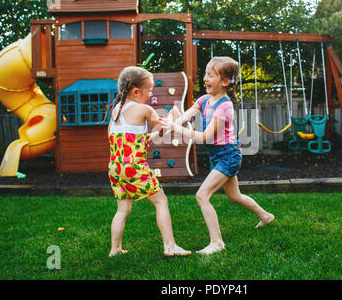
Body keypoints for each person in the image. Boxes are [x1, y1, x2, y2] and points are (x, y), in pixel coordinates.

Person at [161, 56, 275, 255]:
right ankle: (266, 216)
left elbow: (205, 137)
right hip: (220, 156)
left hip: (228, 157)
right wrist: (172, 121)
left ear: (225, 81)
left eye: (211, 75)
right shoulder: (204, 100)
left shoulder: (224, 107)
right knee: (234, 196)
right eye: (206, 74)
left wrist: (176, 128)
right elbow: (186, 118)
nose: (205, 78)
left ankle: (217, 243)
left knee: (202, 196)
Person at [103, 66, 191, 257]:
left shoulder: (116, 110)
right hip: (134, 167)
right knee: (161, 201)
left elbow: (125, 137)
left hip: (115, 169)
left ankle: (115, 249)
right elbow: (163, 128)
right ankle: (170, 246)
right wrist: (173, 116)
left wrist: (146, 138)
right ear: (136, 92)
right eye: (149, 90)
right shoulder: (144, 109)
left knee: (123, 209)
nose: (151, 94)